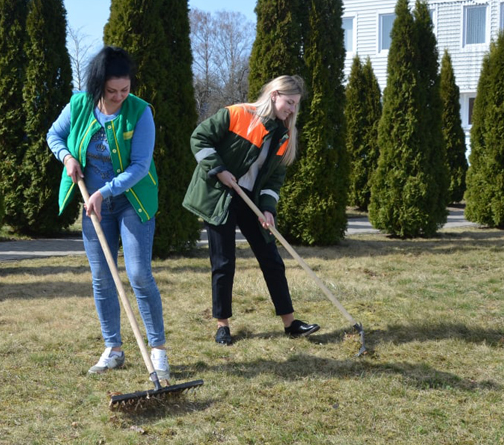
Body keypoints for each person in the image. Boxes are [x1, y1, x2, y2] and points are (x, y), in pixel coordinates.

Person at [47, 46, 169, 380]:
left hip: (132, 201)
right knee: (102, 277)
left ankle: (157, 351)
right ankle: (113, 349)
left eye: (124, 90)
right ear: (98, 85)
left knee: (139, 273)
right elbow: (54, 135)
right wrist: (67, 157)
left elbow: (141, 166)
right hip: (94, 206)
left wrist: (104, 191)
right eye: (111, 91)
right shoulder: (79, 104)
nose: (118, 97)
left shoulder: (140, 112)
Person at [182, 74, 320, 346]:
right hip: (219, 194)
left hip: (250, 199)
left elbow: (274, 179)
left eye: (296, 105)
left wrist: (268, 209)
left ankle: (290, 323)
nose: (292, 110)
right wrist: (218, 169)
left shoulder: (284, 133)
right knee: (223, 262)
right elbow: (199, 138)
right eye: (289, 103)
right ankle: (223, 326)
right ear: (274, 95)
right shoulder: (237, 114)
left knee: (271, 257)